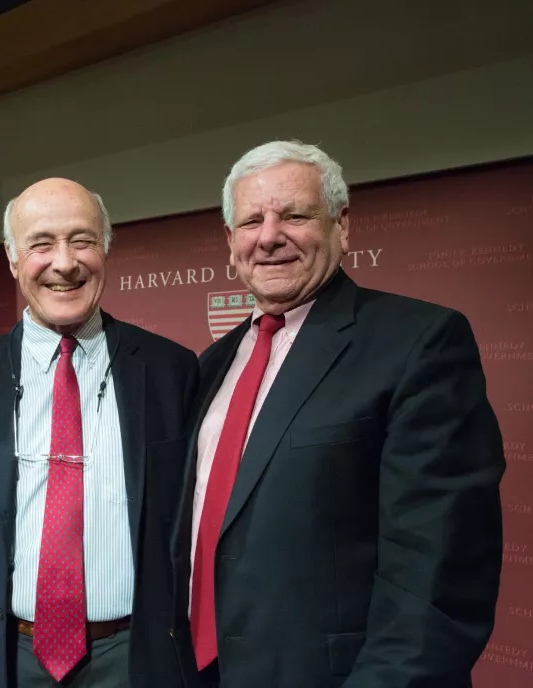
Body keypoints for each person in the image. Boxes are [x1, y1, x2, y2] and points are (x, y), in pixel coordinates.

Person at [173, 140, 505, 688]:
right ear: (231, 242)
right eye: (251, 221)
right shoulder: (209, 366)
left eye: (295, 216)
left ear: (342, 225)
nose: (269, 236)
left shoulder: (418, 343)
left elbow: (438, 574)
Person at [0, 178, 200, 688]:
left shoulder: (172, 371)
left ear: (105, 249)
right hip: (2, 660)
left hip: (135, 660)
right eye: (41, 244)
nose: (64, 263)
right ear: (14, 260)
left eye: (82, 240)